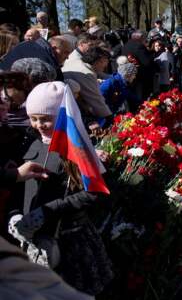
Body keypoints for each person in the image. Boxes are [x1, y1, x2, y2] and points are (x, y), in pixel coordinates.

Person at [8, 81, 113, 295]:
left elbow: (93, 193)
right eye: (33, 118)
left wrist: (49, 211)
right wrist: (15, 215)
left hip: (70, 241)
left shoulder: (75, 147)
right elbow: (19, 186)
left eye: (46, 119)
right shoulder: (30, 143)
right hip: (34, 240)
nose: (38, 124)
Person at [63, 47, 112, 125]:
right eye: (104, 63)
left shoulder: (79, 62)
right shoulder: (86, 72)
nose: (105, 67)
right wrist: (109, 116)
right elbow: (95, 99)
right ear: (98, 62)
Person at [121, 30, 155, 103]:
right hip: (139, 77)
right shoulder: (139, 46)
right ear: (141, 38)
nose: (145, 41)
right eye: (144, 39)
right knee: (139, 100)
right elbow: (147, 62)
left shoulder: (126, 45)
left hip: (127, 76)